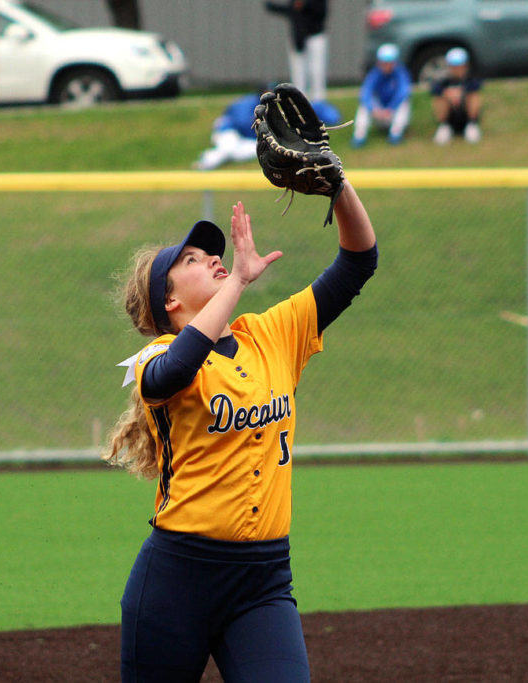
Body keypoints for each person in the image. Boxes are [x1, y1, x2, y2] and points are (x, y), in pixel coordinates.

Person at [104, 174, 377, 681]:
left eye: (211, 253)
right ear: (170, 302)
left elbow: (359, 260)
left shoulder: (272, 335)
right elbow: (179, 370)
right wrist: (238, 282)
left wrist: (338, 185)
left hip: (263, 583)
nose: (211, 258)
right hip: (176, 580)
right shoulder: (155, 358)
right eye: (190, 260)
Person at [194, 90, 342, 170]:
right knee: (228, 149)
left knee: (257, 151)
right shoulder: (247, 104)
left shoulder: (275, 106)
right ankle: (205, 164)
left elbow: (318, 108)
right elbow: (242, 123)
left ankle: (208, 156)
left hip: (243, 138)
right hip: (227, 131)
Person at [265, 0, 329, 102]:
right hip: (298, 37)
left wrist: (305, 5)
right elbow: (290, 10)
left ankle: (319, 102)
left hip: (315, 35)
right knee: (298, 74)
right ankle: (300, 102)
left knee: (316, 71)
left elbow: (321, 11)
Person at [352, 43, 413, 147]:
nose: (386, 65)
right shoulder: (375, 74)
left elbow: (403, 92)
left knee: (405, 102)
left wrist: (390, 108)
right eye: (383, 62)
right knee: (364, 105)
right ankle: (359, 136)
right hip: (378, 112)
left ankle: (395, 134)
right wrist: (373, 109)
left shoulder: (401, 73)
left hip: (392, 112)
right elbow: (365, 93)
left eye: (389, 62)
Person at [430, 46, 483, 145]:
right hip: (451, 114)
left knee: (473, 96)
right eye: (454, 66)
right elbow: (434, 90)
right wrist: (447, 93)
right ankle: (444, 126)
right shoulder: (443, 79)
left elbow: (476, 86)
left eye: (459, 65)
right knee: (439, 98)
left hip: (465, 112)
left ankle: (472, 125)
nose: (457, 69)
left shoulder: (471, 77)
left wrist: (461, 93)